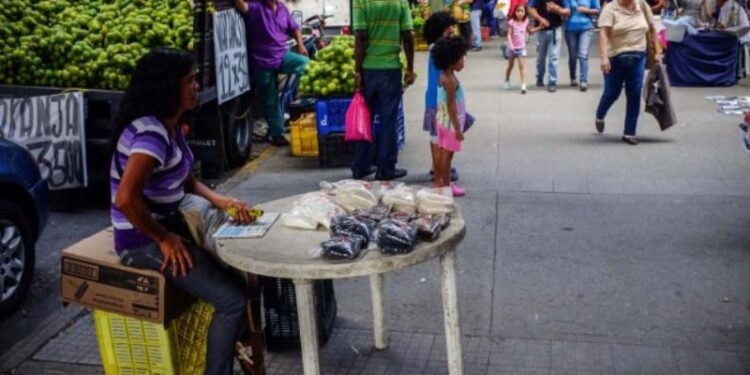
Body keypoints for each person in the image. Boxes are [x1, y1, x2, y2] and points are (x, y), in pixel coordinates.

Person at [110, 49, 257, 375]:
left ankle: (246, 351)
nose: (196, 86)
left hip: (171, 223)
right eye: (189, 81)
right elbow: (125, 200)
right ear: (166, 89)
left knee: (240, 274)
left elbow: (187, 179)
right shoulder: (150, 135)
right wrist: (164, 240)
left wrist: (221, 201)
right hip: (139, 241)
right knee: (231, 301)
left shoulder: (171, 126)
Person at [352, 0, 416, 180]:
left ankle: (361, 166)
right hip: (390, 68)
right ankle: (386, 168)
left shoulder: (361, 1)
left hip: (368, 69)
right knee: (388, 120)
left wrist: (358, 70)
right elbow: (408, 35)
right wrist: (410, 68)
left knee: (365, 118)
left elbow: (360, 36)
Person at [234, 0, 309, 147]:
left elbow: (294, 28)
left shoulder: (281, 8)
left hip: (282, 56)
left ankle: (307, 102)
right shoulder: (256, 6)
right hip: (262, 63)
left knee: (306, 64)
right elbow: (242, 6)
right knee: (269, 100)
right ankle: (277, 134)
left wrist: (300, 44)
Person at [595, 0, 660, 145]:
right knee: (612, 93)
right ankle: (600, 115)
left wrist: (657, 52)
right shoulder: (610, 9)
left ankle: (629, 132)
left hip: (638, 56)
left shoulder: (642, 5)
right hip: (615, 57)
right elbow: (604, 35)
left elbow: (652, 28)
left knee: (634, 93)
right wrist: (604, 57)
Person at [432, 36, 474, 197]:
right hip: (450, 124)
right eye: (461, 58)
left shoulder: (444, 76)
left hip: (442, 121)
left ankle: (440, 184)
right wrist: (458, 129)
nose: (463, 62)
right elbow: (451, 105)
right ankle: (445, 187)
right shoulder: (450, 81)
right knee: (447, 156)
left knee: (442, 152)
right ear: (451, 61)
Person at [423, 11, 461, 182]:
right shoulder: (439, 51)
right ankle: (439, 171)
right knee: (439, 139)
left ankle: (437, 168)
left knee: (435, 137)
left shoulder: (437, 50)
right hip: (439, 103)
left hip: (434, 100)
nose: (452, 32)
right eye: (448, 30)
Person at [529, 0, 570, 92]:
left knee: (554, 57)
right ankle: (539, 77)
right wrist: (540, 19)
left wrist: (557, 10)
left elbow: (568, 11)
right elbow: (531, 9)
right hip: (541, 30)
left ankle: (552, 82)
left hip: (556, 29)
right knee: (541, 57)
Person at [504, 4, 542, 93]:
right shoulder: (511, 22)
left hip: (522, 48)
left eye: (522, 11)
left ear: (525, 13)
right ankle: (507, 79)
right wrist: (511, 44)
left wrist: (540, 27)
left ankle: (523, 85)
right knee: (510, 66)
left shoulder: (526, 22)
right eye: (518, 11)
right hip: (513, 48)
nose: (520, 13)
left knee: (522, 67)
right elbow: (509, 34)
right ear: (515, 12)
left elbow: (530, 32)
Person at [565, 0, 601, 91]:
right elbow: (565, 8)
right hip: (570, 28)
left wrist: (586, 10)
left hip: (586, 27)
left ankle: (583, 80)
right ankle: (573, 77)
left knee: (583, 54)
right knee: (573, 55)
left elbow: (598, 10)